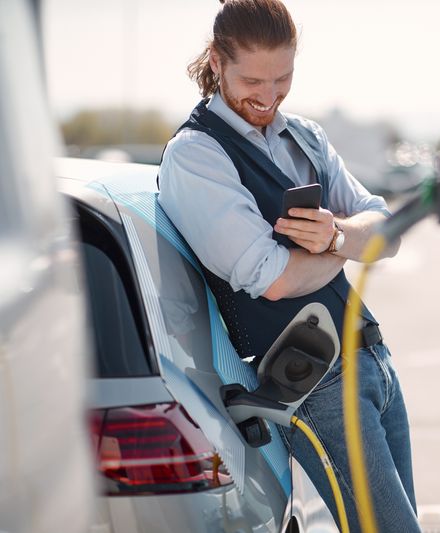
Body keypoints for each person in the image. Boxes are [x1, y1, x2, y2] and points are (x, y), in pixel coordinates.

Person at [157, 1, 420, 531]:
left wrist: (340, 234)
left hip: (374, 361)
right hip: (316, 384)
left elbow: (385, 233)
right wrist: (342, 244)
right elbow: (274, 280)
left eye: (283, 79)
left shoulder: (304, 134)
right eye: (253, 80)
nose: (269, 97)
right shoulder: (196, 155)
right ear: (216, 60)